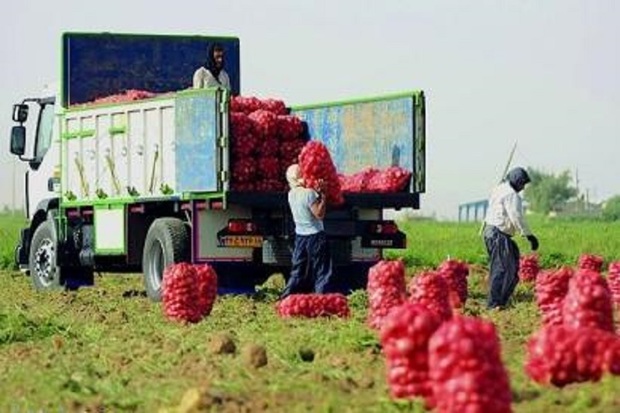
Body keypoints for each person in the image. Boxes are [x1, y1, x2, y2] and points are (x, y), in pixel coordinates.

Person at [483, 167, 539, 310]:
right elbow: (516, 216)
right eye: (522, 184)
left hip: (492, 232)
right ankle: (494, 303)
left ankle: (501, 300)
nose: (522, 187)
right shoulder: (511, 195)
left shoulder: (499, 189)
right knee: (502, 269)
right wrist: (528, 235)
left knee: (511, 267)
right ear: (517, 181)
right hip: (498, 235)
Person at [280, 164, 333, 299]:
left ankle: (286, 297)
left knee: (298, 269)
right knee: (322, 270)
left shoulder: (291, 195)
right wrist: (323, 195)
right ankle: (320, 297)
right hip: (315, 236)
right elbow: (319, 214)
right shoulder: (309, 194)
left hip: (300, 237)